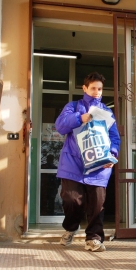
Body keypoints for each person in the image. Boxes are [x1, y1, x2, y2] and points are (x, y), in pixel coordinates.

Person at [55, 72, 120, 252]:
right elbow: (60, 126)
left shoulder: (106, 112)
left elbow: (114, 137)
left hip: (99, 165)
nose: (97, 92)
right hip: (72, 163)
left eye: (100, 89)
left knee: (97, 204)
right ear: (84, 88)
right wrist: (79, 118)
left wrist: (112, 154)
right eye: (93, 88)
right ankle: (71, 227)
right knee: (71, 199)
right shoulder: (73, 107)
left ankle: (94, 238)